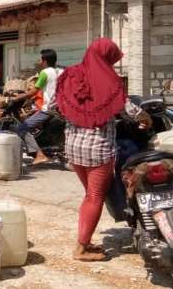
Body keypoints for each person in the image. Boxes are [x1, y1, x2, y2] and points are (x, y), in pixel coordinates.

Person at [55, 38, 150, 263]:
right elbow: (128, 109)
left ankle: (84, 239)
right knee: (94, 197)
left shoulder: (70, 75)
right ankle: (81, 248)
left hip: (73, 146)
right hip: (98, 148)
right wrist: (144, 118)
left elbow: (52, 106)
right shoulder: (110, 81)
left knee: (90, 196)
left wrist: (75, 115)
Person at [11, 49, 61, 165]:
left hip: (48, 109)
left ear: (44, 61)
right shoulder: (59, 72)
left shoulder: (45, 73)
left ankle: (39, 154)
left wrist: (18, 97)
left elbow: (33, 92)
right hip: (59, 108)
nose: (39, 62)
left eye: (40, 59)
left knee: (22, 128)